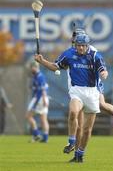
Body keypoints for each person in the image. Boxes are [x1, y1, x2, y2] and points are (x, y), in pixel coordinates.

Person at [35, 33, 108, 163]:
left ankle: (80, 155)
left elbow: (103, 69)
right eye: (78, 45)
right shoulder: (68, 54)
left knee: (87, 130)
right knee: (73, 112)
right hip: (77, 90)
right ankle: (71, 141)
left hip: (92, 92)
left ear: (87, 45)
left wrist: (104, 73)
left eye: (83, 46)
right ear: (75, 45)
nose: (80, 48)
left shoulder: (95, 55)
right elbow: (55, 66)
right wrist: (42, 61)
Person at [63, 28, 113, 154]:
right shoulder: (73, 50)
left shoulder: (91, 51)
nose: (73, 39)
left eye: (76, 36)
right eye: (74, 37)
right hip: (77, 88)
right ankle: (76, 150)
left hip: (91, 86)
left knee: (100, 105)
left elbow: (98, 65)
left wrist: (104, 72)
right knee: (78, 121)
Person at [26, 61, 49, 143]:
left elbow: (43, 89)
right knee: (43, 119)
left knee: (28, 116)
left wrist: (43, 99)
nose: (30, 69)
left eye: (31, 67)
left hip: (39, 99)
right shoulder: (36, 76)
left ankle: (36, 134)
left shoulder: (39, 76)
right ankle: (45, 138)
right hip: (42, 98)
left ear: (35, 67)